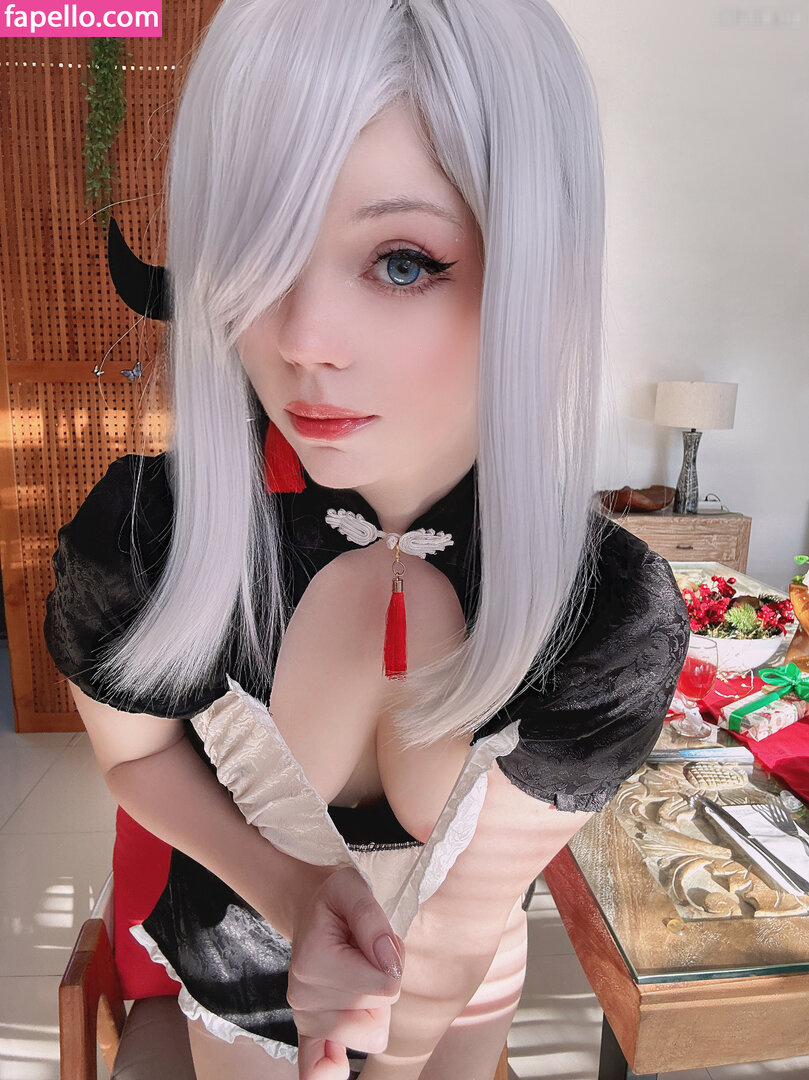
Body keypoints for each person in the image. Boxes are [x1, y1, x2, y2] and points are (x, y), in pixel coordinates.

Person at [44, 1, 690, 1077]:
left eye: (399, 262)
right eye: (257, 252)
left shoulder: (605, 615)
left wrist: (389, 1032)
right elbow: (138, 758)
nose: (300, 339)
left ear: (530, 267)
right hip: (236, 971)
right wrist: (296, 894)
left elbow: (466, 913)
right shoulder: (151, 539)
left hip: (467, 992)